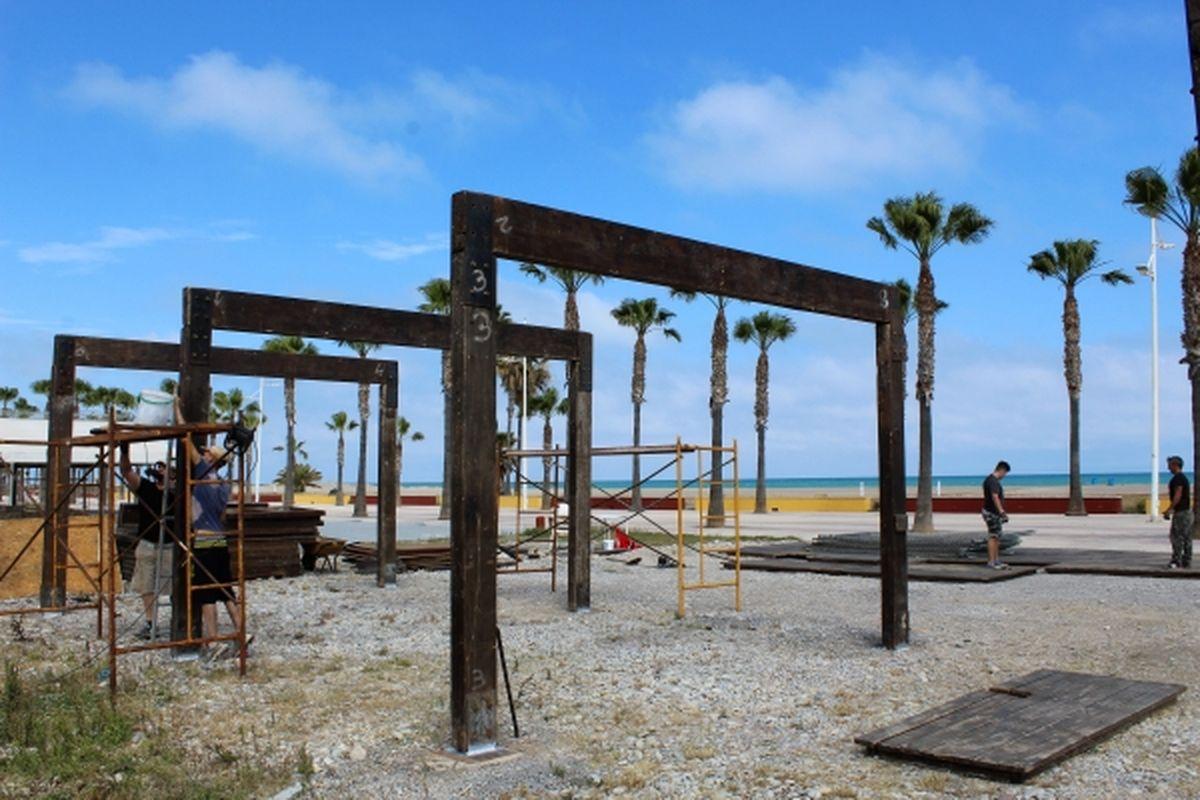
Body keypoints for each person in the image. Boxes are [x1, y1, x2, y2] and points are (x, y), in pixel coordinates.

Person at [176, 398, 242, 649]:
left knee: (205, 593)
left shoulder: (203, 472)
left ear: (211, 460)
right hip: (219, 538)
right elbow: (223, 515)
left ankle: (212, 640)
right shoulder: (224, 485)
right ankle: (240, 631)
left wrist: (177, 410)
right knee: (225, 589)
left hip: (203, 539)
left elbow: (187, 441)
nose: (202, 453)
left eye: (206, 453)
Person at [118, 446, 175, 639]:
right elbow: (126, 472)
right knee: (146, 585)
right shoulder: (146, 487)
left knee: (174, 584)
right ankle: (150, 622)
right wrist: (124, 452)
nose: (160, 472)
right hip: (147, 544)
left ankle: (179, 619)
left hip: (169, 545)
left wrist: (170, 478)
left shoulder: (178, 492)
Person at [982, 460, 1011, 569]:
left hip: (992, 512)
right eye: (1005, 473)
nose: (1004, 476)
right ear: (1001, 470)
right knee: (993, 536)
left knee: (997, 536)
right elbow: (995, 497)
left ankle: (996, 560)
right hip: (991, 512)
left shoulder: (989, 480)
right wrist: (1002, 512)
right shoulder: (993, 481)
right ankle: (991, 561)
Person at [1164, 455, 1192, 569]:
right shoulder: (1182, 478)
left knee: (1177, 536)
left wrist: (1169, 509)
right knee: (1186, 537)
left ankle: (1177, 560)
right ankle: (1186, 560)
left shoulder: (1178, 479)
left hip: (1181, 512)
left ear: (1175, 465)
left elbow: (1178, 494)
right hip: (1186, 511)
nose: (1168, 468)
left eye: (1170, 465)